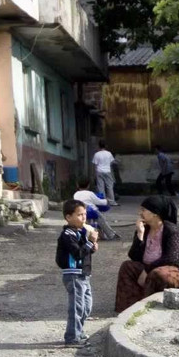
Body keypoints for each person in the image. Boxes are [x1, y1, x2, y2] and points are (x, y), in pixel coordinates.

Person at [114, 196, 179, 313]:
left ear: (155, 213)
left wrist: (147, 270)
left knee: (157, 273)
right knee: (127, 266)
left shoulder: (171, 230)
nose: (140, 213)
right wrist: (140, 235)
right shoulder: (145, 228)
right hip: (149, 268)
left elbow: (171, 258)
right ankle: (126, 309)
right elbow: (134, 256)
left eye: (143, 210)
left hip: (174, 271)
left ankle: (146, 309)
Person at [56, 200, 98, 346]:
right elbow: (77, 253)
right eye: (80, 215)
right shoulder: (67, 234)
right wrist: (89, 242)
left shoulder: (81, 232)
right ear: (68, 217)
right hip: (73, 274)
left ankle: (78, 332)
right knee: (76, 307)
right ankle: (72, 337)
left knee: (86, 306)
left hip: (84, 274)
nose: (84, 218)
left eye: (85, 214)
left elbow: (87, 250)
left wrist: (92, 245)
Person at [92, 140, 119, 206]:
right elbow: (112, 162)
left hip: (99, 171)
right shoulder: (109, 153)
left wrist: (95, 173)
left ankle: (103, 202)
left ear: (99, 146)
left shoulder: (96, 154)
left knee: (100, 187)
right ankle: (112, 202)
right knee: (109, 186)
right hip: (107, 171)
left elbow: (95, 164)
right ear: (105, 146)